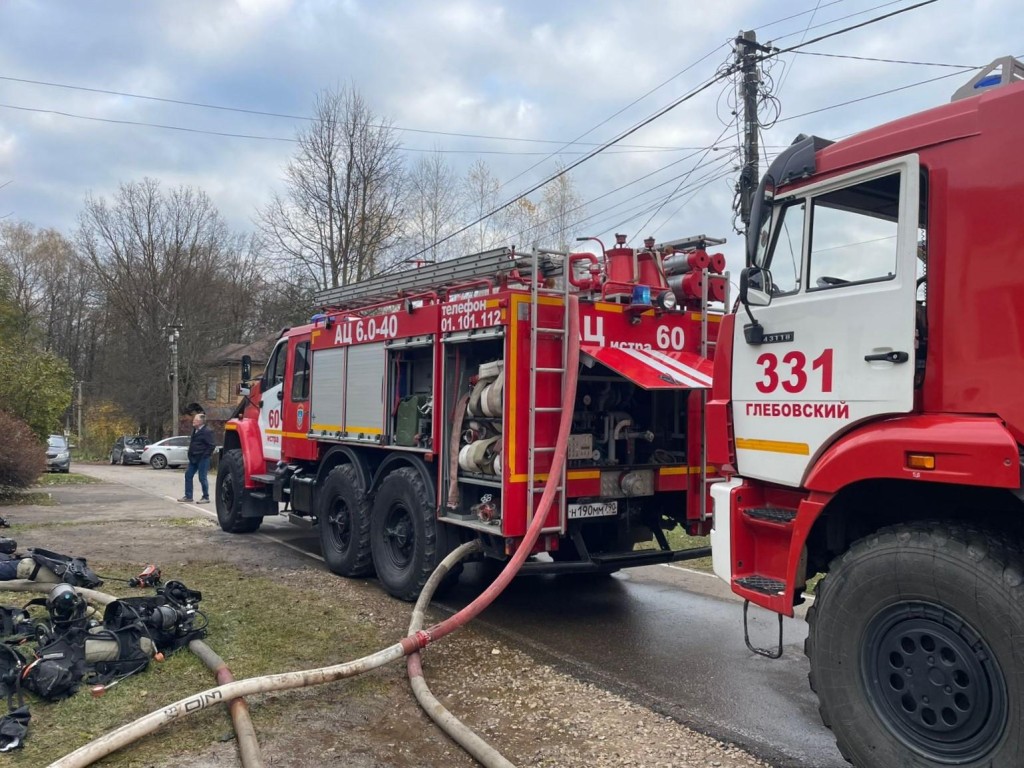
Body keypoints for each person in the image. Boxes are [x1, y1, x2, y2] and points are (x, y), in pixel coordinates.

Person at [179, 414, 216, 503]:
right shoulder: (195, 430)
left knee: (202, 477)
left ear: (200, 422)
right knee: (188, 475)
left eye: (195, 420)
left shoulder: (207, 431)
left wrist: (205, 455)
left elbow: (211, 445)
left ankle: (205, 497)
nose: (193, 421)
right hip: (193, 458)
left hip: (202, 458)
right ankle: (188, 496)